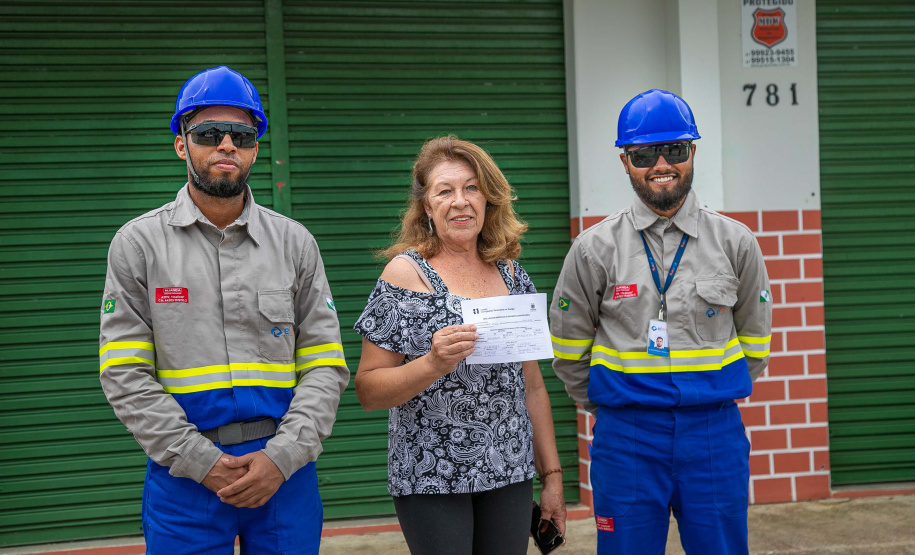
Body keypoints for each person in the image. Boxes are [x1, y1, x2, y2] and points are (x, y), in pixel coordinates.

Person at [98, 66, 349, 555]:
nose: (227, 145)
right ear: (181, 144)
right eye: (209, 133)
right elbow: (123, 372)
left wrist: (282, 457)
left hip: (284, 476)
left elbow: (325, 363)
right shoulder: (138, 245)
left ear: (256, 148)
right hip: (185, 480)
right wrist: (199, 460)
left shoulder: (295, 243)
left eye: (242, 135)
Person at [549, 89, 772, 555]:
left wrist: (707, 392)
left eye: (675, 149)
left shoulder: (737, 243)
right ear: (625, 161)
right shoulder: (592, 250)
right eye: (645, 153)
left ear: (692, 153)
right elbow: (569, 353)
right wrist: (617, 403)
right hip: (627, 437)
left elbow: (755, 343)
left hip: (713, 436)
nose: (661, 164)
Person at [353, 136, 567, 554]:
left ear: (489, 199)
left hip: (510, 471)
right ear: (427, 206)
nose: (461, 201)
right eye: (445, 191)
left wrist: (553, 478)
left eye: (472, 188)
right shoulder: (404, 276)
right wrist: (432, 363)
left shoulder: (511, 274)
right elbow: (367, 390)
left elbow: (533, 386)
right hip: (431, 476)